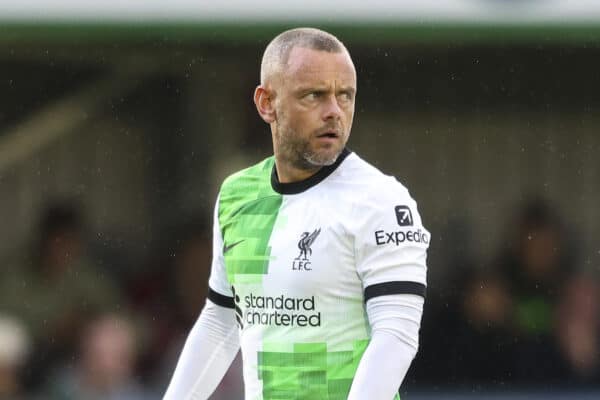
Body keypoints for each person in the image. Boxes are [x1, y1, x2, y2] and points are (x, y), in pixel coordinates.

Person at [164, 27, 429, 400]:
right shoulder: (236, 195)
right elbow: (221, 321)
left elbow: (397, 336)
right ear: (266, 103)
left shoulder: (381, 201)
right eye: (314, 96)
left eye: (345, 96)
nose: (334, 112)